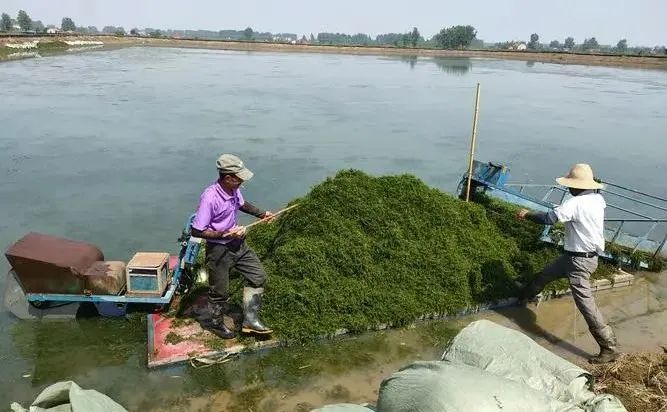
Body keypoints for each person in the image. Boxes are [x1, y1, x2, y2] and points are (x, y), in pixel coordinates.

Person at [516, 163, 619, 364]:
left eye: (570, 185)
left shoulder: (575, 203)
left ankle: (608, 347)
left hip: (579, 262)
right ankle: (523, 298)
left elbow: (549, 218)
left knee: (585, 303)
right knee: (545, 275)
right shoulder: (598, 199)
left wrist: (526, 214)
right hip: (576, 257)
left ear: (577, 186)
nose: (568, 188)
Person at [191, 154, 274, 339]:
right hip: (219, 250)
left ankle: (250, 321)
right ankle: (215, 323)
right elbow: (197, 231)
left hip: (239, 245)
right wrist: (225, 233)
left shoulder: (234, 189)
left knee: (258, 277)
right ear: (228, 177)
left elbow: (243, 205)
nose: (242, 182)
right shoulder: (210, 197)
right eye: (239, 178)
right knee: (219, 292)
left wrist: (263, 214)